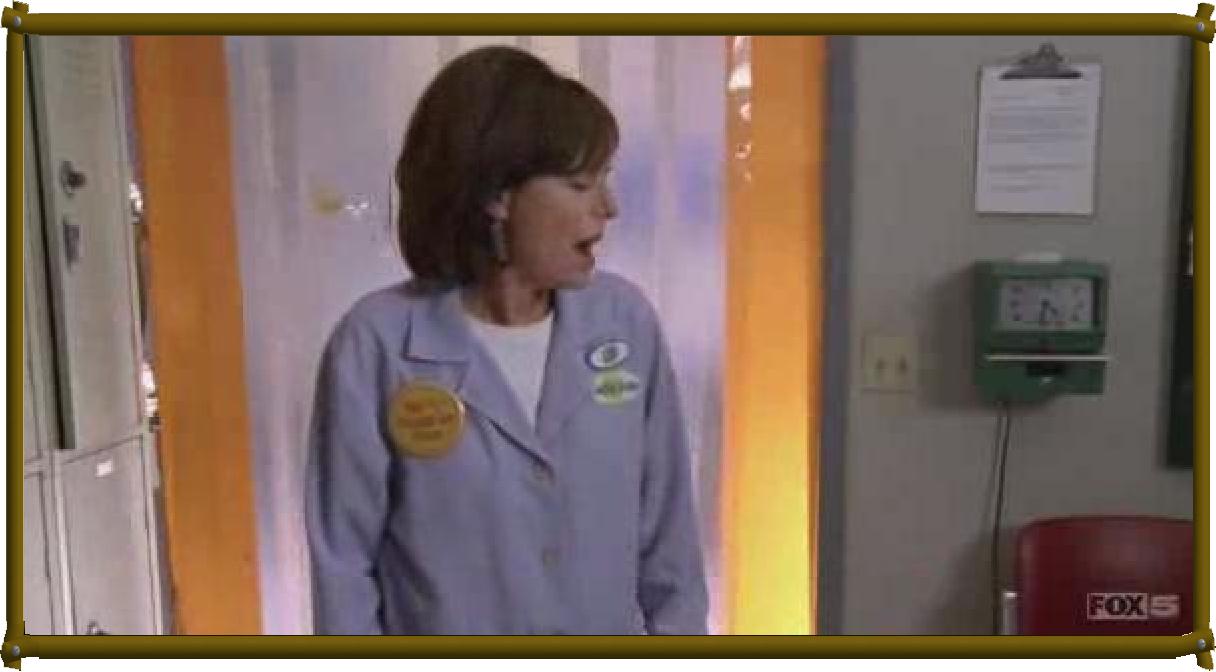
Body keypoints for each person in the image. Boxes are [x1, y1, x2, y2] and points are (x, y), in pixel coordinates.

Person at [304, 45, 708, 636]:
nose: (609, 208)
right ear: (496, 196)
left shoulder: (624, 324)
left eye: (606, 182)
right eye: (580, 184)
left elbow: (670, 549)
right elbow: (343, 576)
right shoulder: (375, 347)